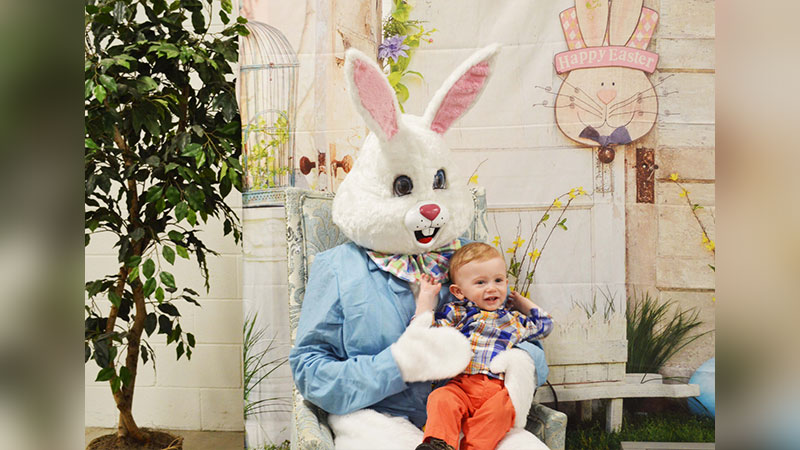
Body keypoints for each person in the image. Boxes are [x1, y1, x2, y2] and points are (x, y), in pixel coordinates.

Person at [414, 242, 554, 450]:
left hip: (497, 389)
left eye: (498, 280)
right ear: (458, 291)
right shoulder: (456, 313)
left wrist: (522, 302)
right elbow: (424, 332)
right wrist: (425, 298)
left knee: (502, 412)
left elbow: (545, 325)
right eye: (480, 282)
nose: (492, 288)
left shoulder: (513, 320)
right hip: (461, 384)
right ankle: (439, 443)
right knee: (441, 398)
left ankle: (474, 447)